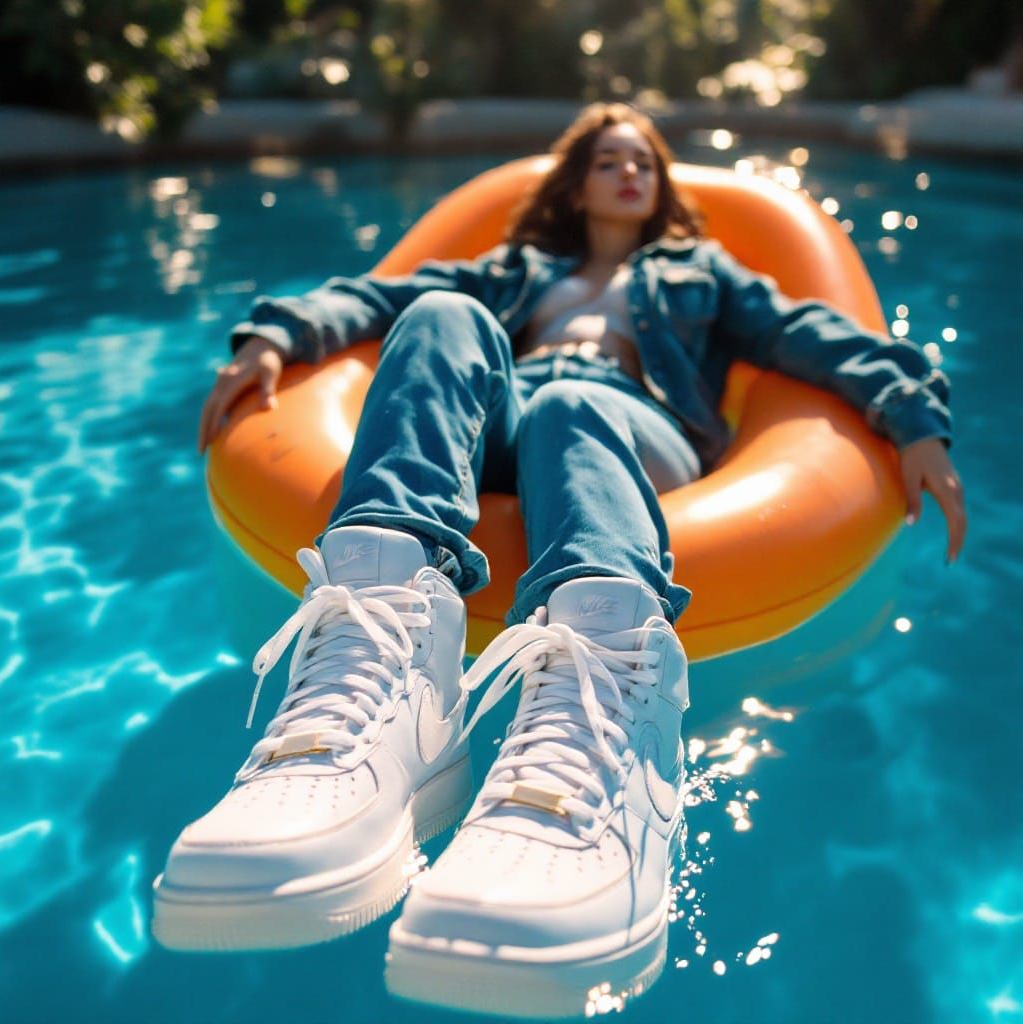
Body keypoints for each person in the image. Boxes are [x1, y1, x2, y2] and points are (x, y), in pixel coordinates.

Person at [153, 103, 965, 1011]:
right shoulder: (518, 269)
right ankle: (379, 720)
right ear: (577, 185)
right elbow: (377, 299)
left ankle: (613, 736)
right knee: (443, 313)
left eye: (643, 161)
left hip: (626, 426)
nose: (629, 173)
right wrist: (275, 334)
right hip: (506, 423)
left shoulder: (702, 275)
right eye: (609, 160)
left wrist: (913, 419)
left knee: (568, 405)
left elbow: (811, 336)